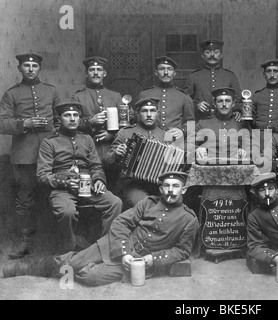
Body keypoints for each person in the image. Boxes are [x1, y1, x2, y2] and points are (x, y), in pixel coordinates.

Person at [2, 171, 199, 287]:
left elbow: (182, 250)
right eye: (166, 186)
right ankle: (26, 267)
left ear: (184, 189)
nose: (170, 190)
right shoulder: (148, 203)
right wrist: (123, 253)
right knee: (73, 262)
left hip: (140, 262)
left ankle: (83, 251)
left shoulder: (189, 220)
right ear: (161, 188)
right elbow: (121, 223)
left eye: (175, 186)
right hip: (117, 246)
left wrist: (153, 260)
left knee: (87, 276)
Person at [37, 102, 123, 253]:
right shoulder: (49, 141)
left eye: (75, 115)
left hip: (87, 185)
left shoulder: (86, 138)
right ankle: (69, 249)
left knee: (115, 203)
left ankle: (103, 247)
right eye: (67, 115)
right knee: (67, 211)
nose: (72, 119)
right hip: (61, 188)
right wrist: (66, 182)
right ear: (59, 118)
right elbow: (43, 175)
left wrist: (98, 180)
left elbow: (96, 166)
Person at [0, 53, 61, 259]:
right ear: (20, 68)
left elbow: (61, 120)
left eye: (35, 65)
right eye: (26, 65)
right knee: (25, 199)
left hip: (52, 154)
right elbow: (2, 123)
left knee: (54, 196)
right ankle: (24, 242)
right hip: (24, 156)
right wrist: (24, 124)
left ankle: (55, 240)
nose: (31, 69)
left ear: (39, 68)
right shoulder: (12, 94)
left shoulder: (51, 91)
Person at [102, 97, 175, 209]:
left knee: (172, 206)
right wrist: (116, 155)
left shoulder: (166, 135)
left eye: (152, 111)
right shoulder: (125, 133)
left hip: (158, 185)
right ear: (137, 113)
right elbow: (106, 163)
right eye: (145, 111)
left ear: (157, 113)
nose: (149, 114)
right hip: (131, 184)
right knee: (146, 207)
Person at [72, 56, 123, 189]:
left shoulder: (115, 96)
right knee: (88, 187)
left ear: (104, 73)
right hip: (88, 148)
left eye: (99, 70)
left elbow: (128, 123)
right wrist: (90, 122)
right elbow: (69, 124)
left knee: (113, 186)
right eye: (92, 69)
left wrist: (112, 134)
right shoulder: (78, 97)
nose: (95, 73)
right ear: (86, 73)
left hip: (111, 148)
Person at [137, 56, 195, 142]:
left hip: (174, 142)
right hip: (150, 141)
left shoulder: (183, 97)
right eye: (162, 69)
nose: (166, 72)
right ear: (156, 73)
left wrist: (182, 131)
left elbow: (191, 122)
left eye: (169, 69)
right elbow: (138, 120)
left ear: (174, 73)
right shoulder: (145, 94)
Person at [184, 39, 243, 120]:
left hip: (225, 121)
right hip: (201, 120)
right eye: (208, 52)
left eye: (216, 52)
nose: (212, 55)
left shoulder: (230, 76)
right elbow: (186, 99)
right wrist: (196, 105)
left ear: (221, 55)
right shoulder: (193, 76)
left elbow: (238, 98)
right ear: (202, 56)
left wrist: (237, 110)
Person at [188, 87, 251, 163]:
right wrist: (197, 149)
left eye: (227, 101)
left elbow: (254, 146)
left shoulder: (241, 123)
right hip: (209, 167)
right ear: (214, 104)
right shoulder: (204, 123)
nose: (224, 104)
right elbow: (187, 143)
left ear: (233, 104)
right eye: (220, 101)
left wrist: (244, 150)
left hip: (236, 166)